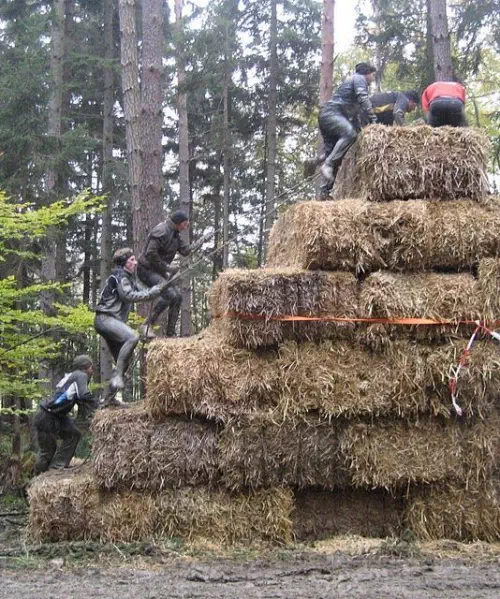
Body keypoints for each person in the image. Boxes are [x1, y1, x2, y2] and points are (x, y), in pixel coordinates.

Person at [94, 248, 165, 402]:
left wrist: (161, 287)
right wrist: (151, 292)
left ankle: (109, 399)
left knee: (124, 360)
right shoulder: (121, 276)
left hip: (110, 321)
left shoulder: (129, 278)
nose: (135, 262)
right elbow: (128, 295)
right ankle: (117, 375)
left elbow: (144, 292)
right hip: (106, 319)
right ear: (124, 262)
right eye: (132, 260)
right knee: (133, 337)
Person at [319, 62, 377, 199]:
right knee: (349, 134)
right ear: (367, 73)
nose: (373, 78)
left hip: (328, 116)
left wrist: (363, 131)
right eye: (373, 75)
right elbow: (363, 97)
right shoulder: (358, 78)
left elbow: (356, 118)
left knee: (335, 155)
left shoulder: (351, 90)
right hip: (332, 113)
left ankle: (324, 192)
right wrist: (373, 118)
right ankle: (326, 164)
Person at [34, 355, 98, 475]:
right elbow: (84, 395)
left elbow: (80, 399)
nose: (92, 370)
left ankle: (57, 467)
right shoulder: (80, 375)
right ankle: (38, 477)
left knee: (73, 434)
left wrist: (95, 409)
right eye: (91, 367)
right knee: (47, 451)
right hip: (47, 415)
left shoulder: (73, 376)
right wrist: (99, 406)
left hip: (57, 415)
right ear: (86, 367)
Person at [137, 210, 191, 338]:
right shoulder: (162, 231)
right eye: (184, 224)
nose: (185, 227)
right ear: (178, 223)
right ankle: (146, 325)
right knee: (170, 295)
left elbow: (184, 251)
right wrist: (167, 267)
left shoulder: (175, 234)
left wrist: (196, 245)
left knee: (177, 297)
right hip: (146, 270)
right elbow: (150, 253)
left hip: (158, 271)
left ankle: (170, 334)